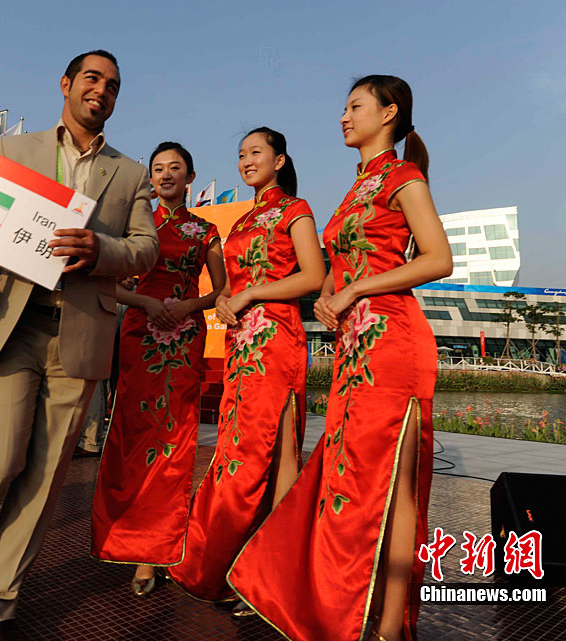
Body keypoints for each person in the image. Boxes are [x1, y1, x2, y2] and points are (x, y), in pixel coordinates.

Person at [0, 50, 159, 641]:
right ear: (66, 84)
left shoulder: (129, 173)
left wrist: (102, 250)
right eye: (92, 79)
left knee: (45, 478)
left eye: (113, 85)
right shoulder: (15, 150)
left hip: (82, 332)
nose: (102, 90)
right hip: (14, 325)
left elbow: (147, 248)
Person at [227, 77, 453, 641]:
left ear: (389, 112)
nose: (344, 116)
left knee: (396, 486)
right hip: (355, 349)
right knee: (346, 479)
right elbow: (340, 263)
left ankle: (390, 625)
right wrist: (331, 291)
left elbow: (438, 259)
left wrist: (356, 289)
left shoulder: (403, 176)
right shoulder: (356, 189)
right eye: (345, 107)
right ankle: (340, 605)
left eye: (356, 106)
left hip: (393, 342)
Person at [168, 127, 325, 610]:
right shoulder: (240, 222)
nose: (246, 160)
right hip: (241, 345)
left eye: (256, 152)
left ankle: (270, 576)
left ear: (279, 160)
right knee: (239, 451)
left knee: (275, 454)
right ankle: (236, 563)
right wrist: (226, 300)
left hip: (277, 340)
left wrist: (252, 293)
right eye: (241, 154)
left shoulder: (295, 209)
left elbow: (313, 275)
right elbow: (230, 285)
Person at [90, 141, 226, 594]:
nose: (166, 175)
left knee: (175, 438)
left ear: (190, 177)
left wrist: (189, 304)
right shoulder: (134, 226)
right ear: (150, 178)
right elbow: (108, 285)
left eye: (175, 168)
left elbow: (221, 291)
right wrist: (145, 301)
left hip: (184, 339)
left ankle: (156, 549)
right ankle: (123, 537)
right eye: (159, 168)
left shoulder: (205, 231)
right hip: (139, 334)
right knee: (131, 434)